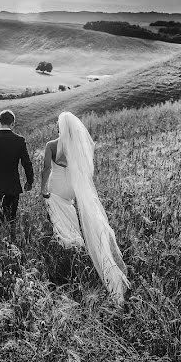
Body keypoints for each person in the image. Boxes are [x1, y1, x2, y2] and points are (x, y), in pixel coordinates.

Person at [40, 111, 130, 303]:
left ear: (60, 127)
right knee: (72, 216)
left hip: (56, 188)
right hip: (72, 189)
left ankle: (68, 246)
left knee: (58, 219)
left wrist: (43, 189)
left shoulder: (51, 145)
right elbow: (84, 170)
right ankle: (78, 246)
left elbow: (46, 169)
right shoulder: (78, 146)